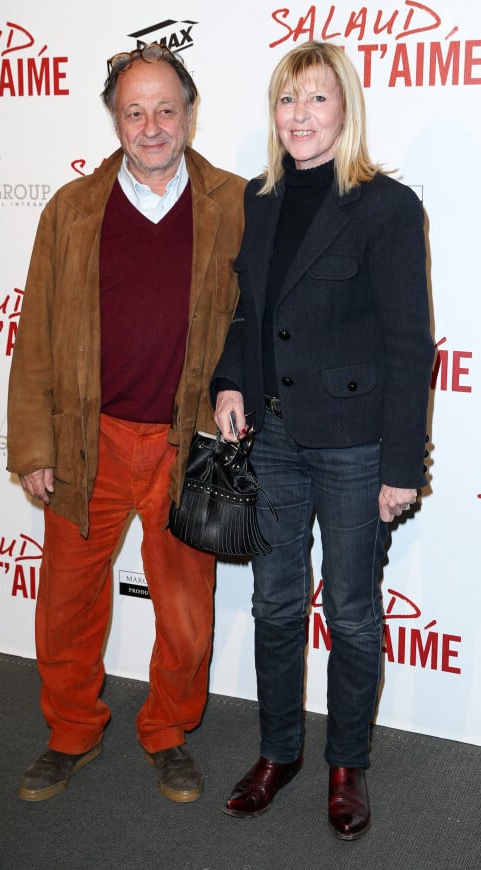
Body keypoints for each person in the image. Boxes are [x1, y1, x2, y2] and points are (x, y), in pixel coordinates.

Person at [7, 43, 245, 804]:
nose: (151, 127)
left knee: (186, 616)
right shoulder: (71, 210)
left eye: (165, 110)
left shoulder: (237, 203)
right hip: (90, 441)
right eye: (134, 112)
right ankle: (71, 731)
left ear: (190, 113)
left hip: (187, 445)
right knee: (68, 601)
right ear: (115, 118)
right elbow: (35, 334)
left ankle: (168, 732)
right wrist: (34, 446)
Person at [212, 41, 433, 839]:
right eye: (286, 100)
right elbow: (249, 313)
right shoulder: (261, 197)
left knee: (349, 610)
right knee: (275, 602)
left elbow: (411, 344)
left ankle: (346, 765)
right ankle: (280, 752)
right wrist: (230, 381)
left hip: (352, 446)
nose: (299, 116)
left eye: (316, 99)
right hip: (268, 434)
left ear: (346, 109)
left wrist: (401, 466)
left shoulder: (386, 206)